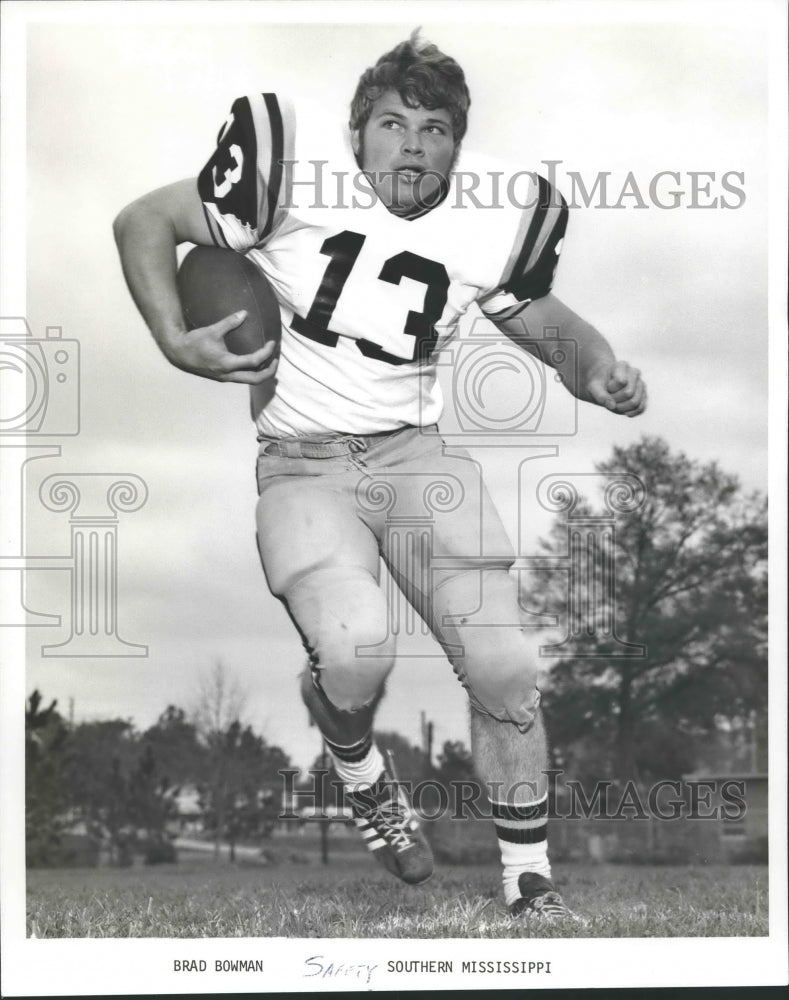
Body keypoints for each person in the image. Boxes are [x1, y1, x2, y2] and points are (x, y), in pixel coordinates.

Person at [114, 31, 646, 920]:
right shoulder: (289, 173)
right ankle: (360, 771)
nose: (412, 143)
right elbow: (143, 221)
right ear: (357, 131)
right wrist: (173, 340)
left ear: (455, 146)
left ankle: (529, 881)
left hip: (415, 454)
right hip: (303, 461)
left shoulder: (496, 215)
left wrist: (591, 367)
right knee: (357, 650)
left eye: (434, 129)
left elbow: (533, 310)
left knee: (505, 663)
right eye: (393, 123)